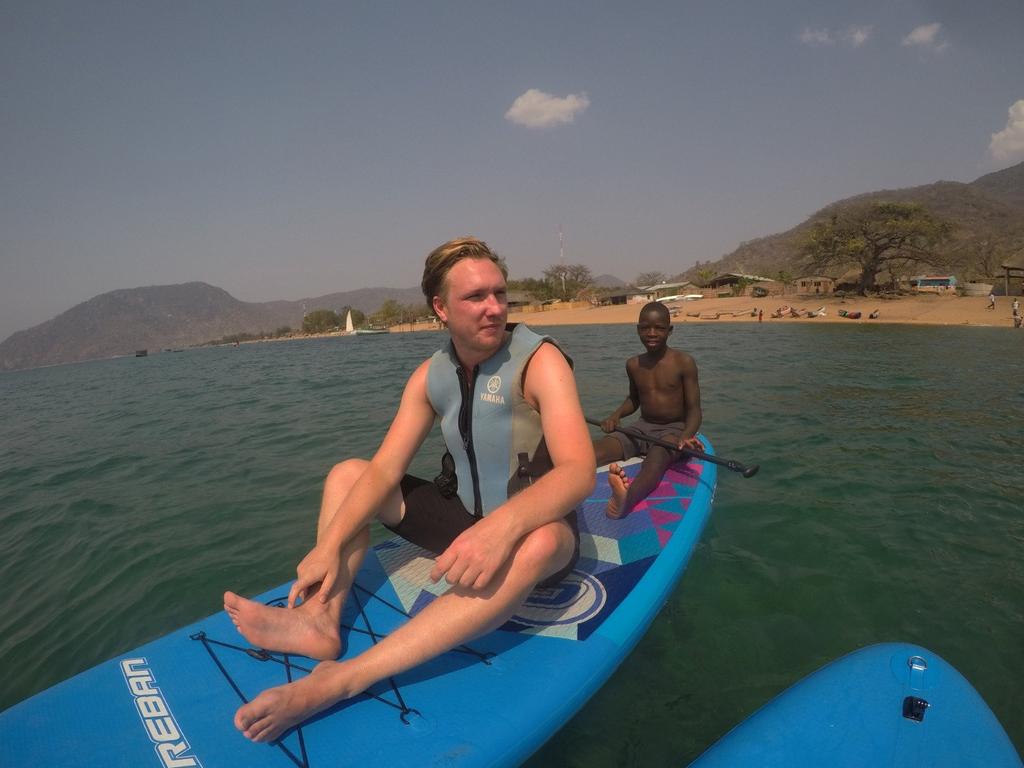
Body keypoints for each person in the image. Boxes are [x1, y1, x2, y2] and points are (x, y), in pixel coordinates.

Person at [222, 237, 595, 744]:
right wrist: (327, 546)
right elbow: (381, 472)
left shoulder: (540, 361)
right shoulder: (430, 375)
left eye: (500, 294)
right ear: (440, 308)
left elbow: (577, 472)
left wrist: (502, 530)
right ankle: (319, 619)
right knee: (348, 475)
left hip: (537, 533)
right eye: (475, 297)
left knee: (541, 541)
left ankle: (347, 676)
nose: (494, 308)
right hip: (466, 523)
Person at [592, 301, 702, 519]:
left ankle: (626, 499)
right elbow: (634, 399)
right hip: (641, 428)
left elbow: (695, 409)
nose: (652, 333)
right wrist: (616, 416)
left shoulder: (684, 362)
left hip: (673, 432)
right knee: (596, 450)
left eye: (659, 328)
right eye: (645, 328)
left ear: (669, 331)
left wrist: (687, 436)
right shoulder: (633, 364)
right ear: (638, 330)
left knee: (656, 459)